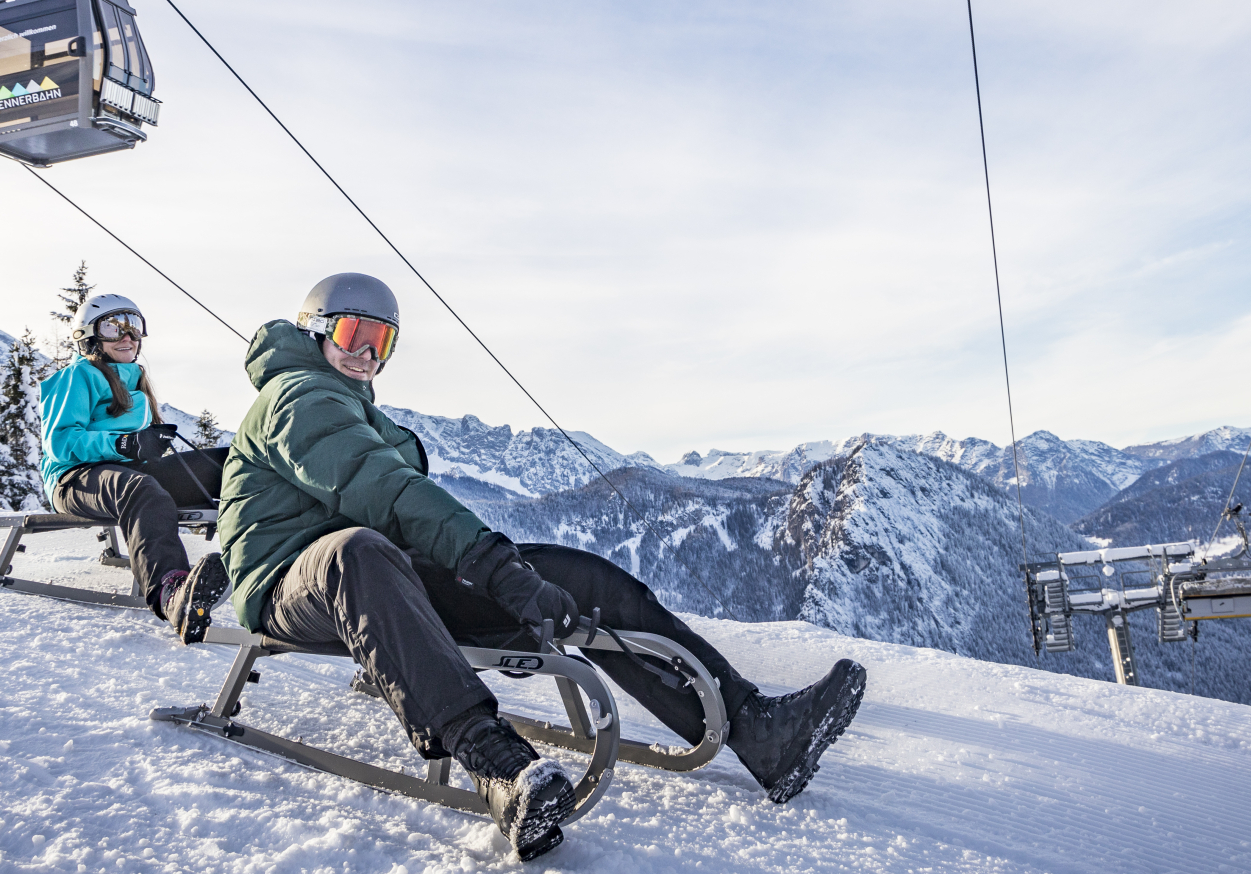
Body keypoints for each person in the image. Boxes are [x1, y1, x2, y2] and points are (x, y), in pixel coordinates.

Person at [216, 273, 866, 860]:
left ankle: (758, 729)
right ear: (316, 331)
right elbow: (385, 489)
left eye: (380, 341)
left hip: (385, 578)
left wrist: (510, 572)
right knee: (357, 550)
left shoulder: (352, 401)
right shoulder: (296, 396)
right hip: (290, 583)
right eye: (354, 334)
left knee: (579, 581)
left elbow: (405, 512)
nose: (366, 353)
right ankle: (501, 768)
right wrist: (491, 566)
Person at [40, 293, 232, 639]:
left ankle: (278, 554)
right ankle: (172, 593)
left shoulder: (135, 380)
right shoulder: (77, 375)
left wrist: (149, 444)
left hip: (128, 474)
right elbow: (61, 442)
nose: (127, 336)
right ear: (89, 336)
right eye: (113, 328)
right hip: (74, 479)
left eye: (134, 327)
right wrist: (123, 444)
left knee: (226, 463)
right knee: (141, 491)